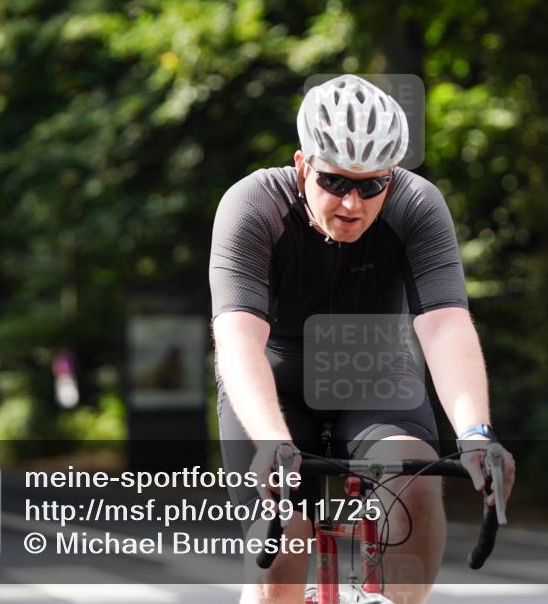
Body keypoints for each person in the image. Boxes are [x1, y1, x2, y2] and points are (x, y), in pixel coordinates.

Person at [209, 74, 515, 604]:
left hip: (375, 378)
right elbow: (238, 340)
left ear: (391, 180)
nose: (352, 203)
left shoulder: (417, 206)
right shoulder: (253, 205)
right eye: (335, 183)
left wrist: (476, 432)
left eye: (371, 185)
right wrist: (272, 443)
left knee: (417, 488)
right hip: (273, 389)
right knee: (285, 545)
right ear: (303, 166)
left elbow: (444, 324)